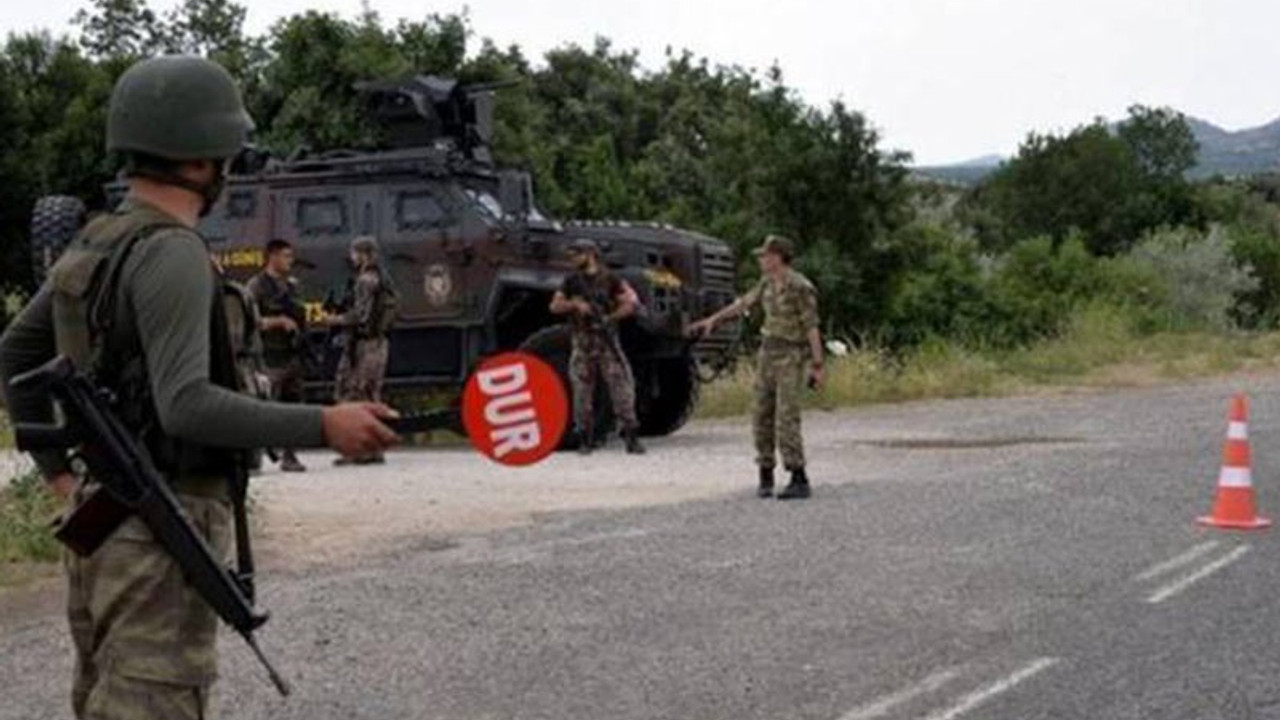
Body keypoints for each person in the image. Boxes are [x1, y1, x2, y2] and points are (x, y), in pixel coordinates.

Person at [0, 55, 400, 720]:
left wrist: (61, 480)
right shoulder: (172, 251)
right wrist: (323, 424)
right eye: (227, 149)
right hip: (161, 527)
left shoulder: (96, 239)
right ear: (201, 157)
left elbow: (14, 351)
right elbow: (185, 404)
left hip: (104, 526)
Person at [688, 235, 824, 499]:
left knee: (787, 416)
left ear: (777, 257)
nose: (761, 260)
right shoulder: (767, 283)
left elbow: (811, 326)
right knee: (761, 412)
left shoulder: (800, 286)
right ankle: (765, 471)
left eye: (765, 255)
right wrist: (713, 321)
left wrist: (818, 365)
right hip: (768, 353)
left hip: (791, 354)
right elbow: (743, 304)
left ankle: (798, 476)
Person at [549, 238, 646, 455]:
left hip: (606, 341)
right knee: (582, 391)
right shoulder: (571, 281)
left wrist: (611, 318)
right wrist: (575, 304)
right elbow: (555, 305)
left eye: (577, 254)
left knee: (621, 387)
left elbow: (630, 304)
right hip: (582, 341)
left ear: (590, 254)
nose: (573, 259)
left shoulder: (611, 279)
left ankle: (630, 435)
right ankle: (585, 437)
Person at [328, 235, 396, 465]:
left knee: (353, 394)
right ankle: (373, 449)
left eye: (354, 252)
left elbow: (360, 315)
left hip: (363, 345)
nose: (351, 257)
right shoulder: (383, 279)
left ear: (363, 254)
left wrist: (335, 319)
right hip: (377, 343)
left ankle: (359, 450)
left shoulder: (365, 281)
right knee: (371, 395)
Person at [247, 239, 309, 472]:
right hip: (269, 356)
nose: (290, 261)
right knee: (265, 406)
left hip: (292, 354)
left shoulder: (292, 286)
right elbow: (250, 320)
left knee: (294, 406)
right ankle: (254, 457)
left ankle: (290, 456)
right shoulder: (257, 286)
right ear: (272, 257)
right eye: (285, 256)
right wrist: (277, 322)